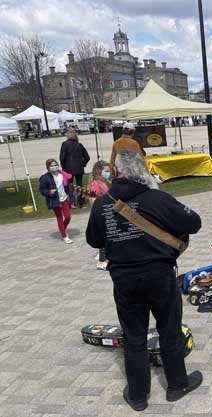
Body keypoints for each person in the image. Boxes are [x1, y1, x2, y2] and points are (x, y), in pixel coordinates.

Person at [86, 150, 203, 411]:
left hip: (125, 279)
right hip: (159, 274)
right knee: (169, 328)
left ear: (116, 172)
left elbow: (93, 240)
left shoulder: (103, 204)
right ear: (143, 170)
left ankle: (138, 395)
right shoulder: (157, 198)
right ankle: (176, 384)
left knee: (134, 335)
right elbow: (193, 222)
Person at [38, 158, 74, 244]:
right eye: (52, 166)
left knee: (68, 217)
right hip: (55, 200)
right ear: (48, 167)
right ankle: (64, 236)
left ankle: (62, 229)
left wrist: (71, 196)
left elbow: (68, 184)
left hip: (64, 198)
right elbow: (42, 190)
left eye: (56, 165)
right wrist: (49, 192)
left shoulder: (62, 174)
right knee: (59, 217)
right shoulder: (45, 178)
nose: (54, 167)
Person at [88, 160, 113, 270]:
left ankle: (108, 256)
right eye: (106, 171)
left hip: (109, 213)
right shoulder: (95, 184)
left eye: (109, 171)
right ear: (99, 171)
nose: (109, 173)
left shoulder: (107, 182)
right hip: (101, 214)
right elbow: (94, 201)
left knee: (109, 237)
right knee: (103, 237)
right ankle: (101, 261)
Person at [59, 129, 90, 208]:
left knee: (69, 186)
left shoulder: (64, 144)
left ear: (67, 136)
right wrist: (83, 164)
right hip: (79, 168)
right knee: (80, 186)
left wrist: (63, 167)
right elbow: (87, 157)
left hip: (68, 169)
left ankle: (71, 203)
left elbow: (62, 158)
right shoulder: (79, 145)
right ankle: (81, 203)